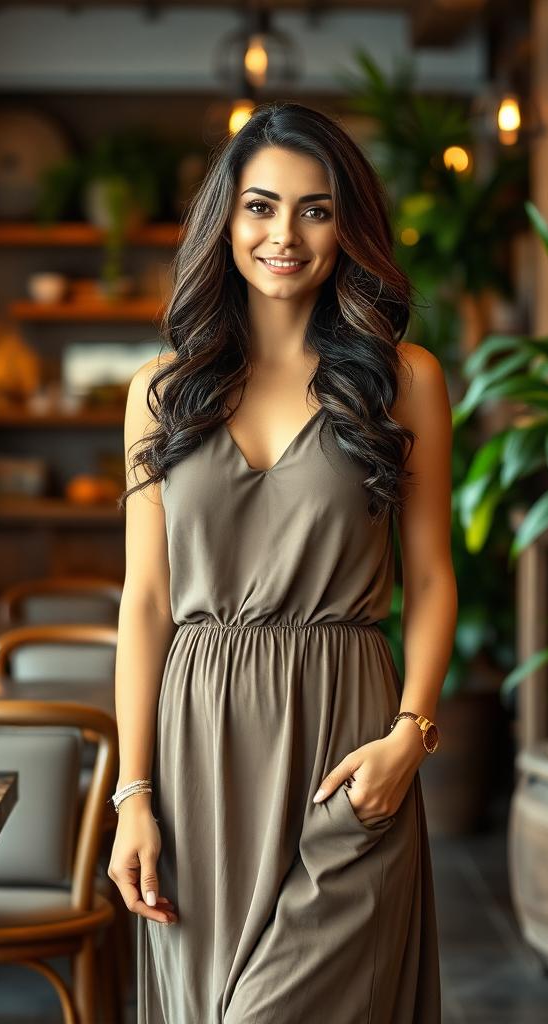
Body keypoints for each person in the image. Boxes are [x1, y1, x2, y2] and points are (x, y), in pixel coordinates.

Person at [107, 101, 456, 1023]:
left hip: (349, 738)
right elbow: (145, 602)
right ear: (225, 222)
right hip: (197, 758)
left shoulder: (403, 378)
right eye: (261, 207)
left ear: (351, 226)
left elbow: (429, 577)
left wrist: (409, 737)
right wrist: (131, 795)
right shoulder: (160, 393)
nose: (284, 235)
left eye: (317, 209)